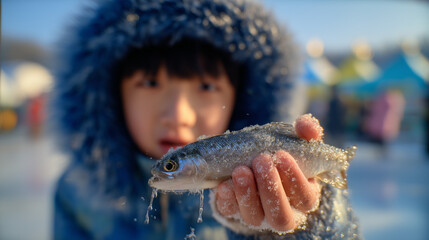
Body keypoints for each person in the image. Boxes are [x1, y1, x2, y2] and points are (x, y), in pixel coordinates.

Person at [52, 0, 360, 239]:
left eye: (206, 87)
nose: (177, 116)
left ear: (242, 95)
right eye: (150, 83)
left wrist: (307, 225)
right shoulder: (74, 193)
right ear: (109, 93)